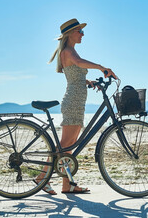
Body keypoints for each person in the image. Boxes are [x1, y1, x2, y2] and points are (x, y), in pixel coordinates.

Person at [35, 18, 117, 195]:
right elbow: (79, 64)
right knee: (65, 145)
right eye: (80, 31)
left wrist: (88, 81)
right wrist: (101, 67)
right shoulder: (67, 51)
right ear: (70, 34)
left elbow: (75, 75)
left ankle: (67, 185)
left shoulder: (71, 51)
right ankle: (42, 178)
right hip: (73, 102)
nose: (82, 34)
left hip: (76, 101)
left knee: (68, 147)